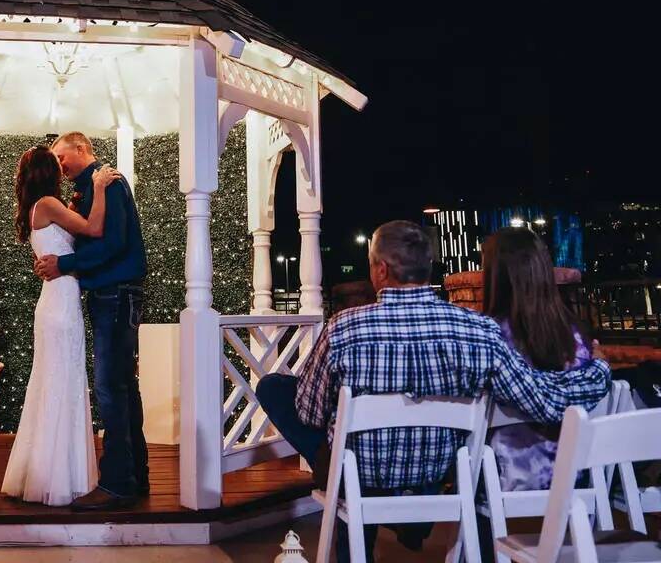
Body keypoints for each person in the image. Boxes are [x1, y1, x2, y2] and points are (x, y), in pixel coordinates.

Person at [255, 220, 612, 562]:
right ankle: (400, 503)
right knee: (350, 448)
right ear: (428, 267)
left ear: (380, 270)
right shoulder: (479, 331)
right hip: (438, 473)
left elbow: (310, 414)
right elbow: (543, 401)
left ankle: (351, 488)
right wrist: (597, 370)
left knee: (277, 390)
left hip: (361, 471)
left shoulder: (343, 329)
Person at [33, 132, 149, 509]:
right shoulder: (85, 189)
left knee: (110, 388)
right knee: (121, 387)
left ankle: (118, 483)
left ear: (82, 149)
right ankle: (135, 476)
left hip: (116, 294)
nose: (59, 166)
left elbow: (112, 242)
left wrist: (64, 263)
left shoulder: (108, 181)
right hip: (111, 294)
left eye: (63, 157)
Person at [1, 145, 121, 506]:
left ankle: (47, 472)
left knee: (55, 381)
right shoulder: (49, 205)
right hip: (61, 303)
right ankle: (60, 476)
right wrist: (99, 188)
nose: (61, 167)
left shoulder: (42, 207)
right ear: (46, 171)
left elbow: (70, 239)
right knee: (64, 381)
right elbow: (94, 229)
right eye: (56, 164)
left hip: (56, 299)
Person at [482, 227, 595, 490]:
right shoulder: (575, 336)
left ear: (495, 276)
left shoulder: (489, 336)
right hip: (576, 470)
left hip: (506, 476)